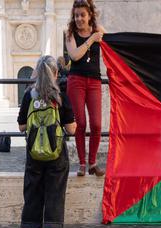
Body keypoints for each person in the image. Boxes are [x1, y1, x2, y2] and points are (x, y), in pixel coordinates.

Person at [64, 0, 105, 177]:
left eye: (82, 15)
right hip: (76, 82)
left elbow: (113, 44)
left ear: (90, 16)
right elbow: (74, 55)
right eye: (76, 15)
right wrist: (91, 39)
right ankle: (82, 163)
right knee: (80, 123)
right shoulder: (70, 34)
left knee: (96, 124)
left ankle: (92, 163)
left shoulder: (97, 30)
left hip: (94, 82)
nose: (79, 18)